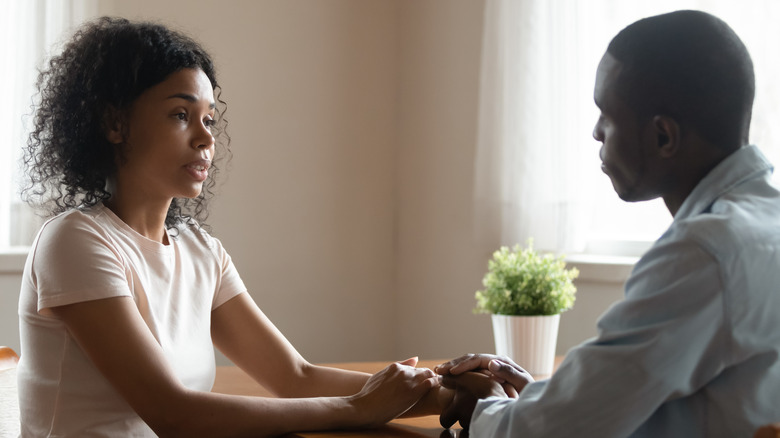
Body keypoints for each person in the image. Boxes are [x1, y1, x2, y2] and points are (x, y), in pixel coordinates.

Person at [17, 16, 449, 437]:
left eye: (209, 119)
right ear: (115, 124)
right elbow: (174, 415)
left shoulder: (201, 250)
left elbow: (295, 378)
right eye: (180, 114)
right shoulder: (74, 242)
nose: (205, 139)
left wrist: (449, 393)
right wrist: (358, 409)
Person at [435, 10, 780, 437]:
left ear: (663, 137)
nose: (596, 133)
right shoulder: (765, 225)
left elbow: (558, 432)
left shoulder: (705, 252)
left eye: (607, 115)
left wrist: (484, 408)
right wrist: (547, 395)